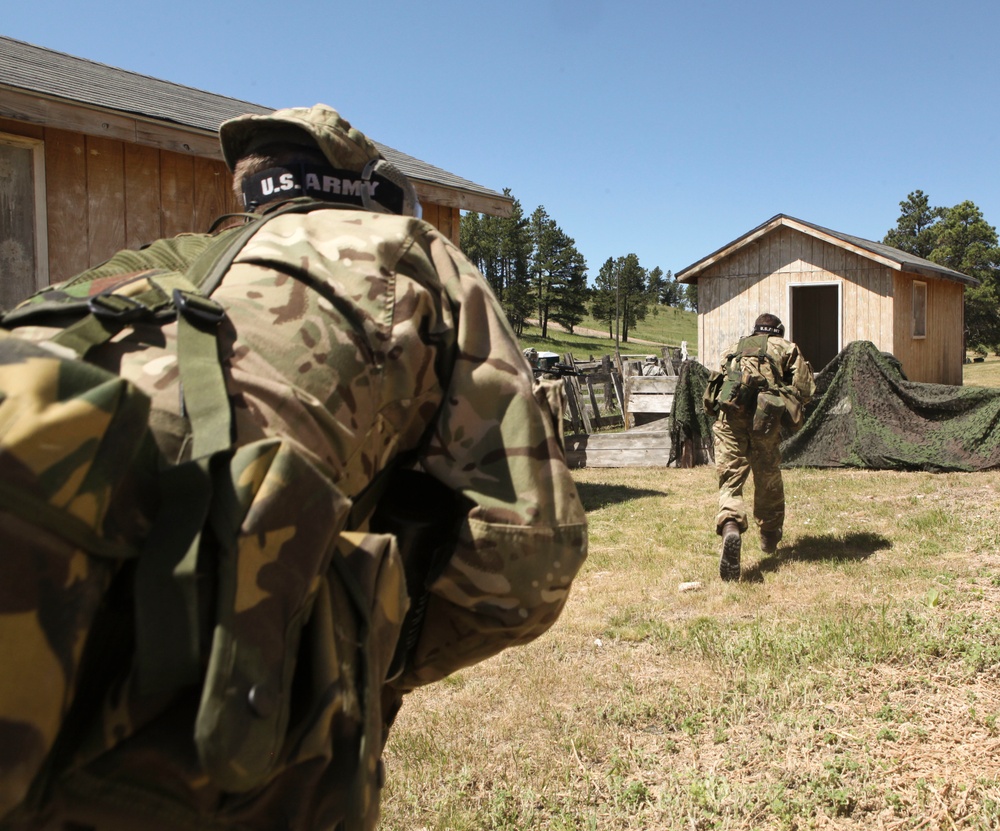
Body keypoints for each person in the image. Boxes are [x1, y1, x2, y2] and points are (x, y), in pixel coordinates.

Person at [0, 105, 587, 831]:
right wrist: (359, 650)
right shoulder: (402, 248)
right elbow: (531, 554)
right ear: (364, 187)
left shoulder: (133, 267)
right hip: (203, 667)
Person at [704, 313, 814, 581]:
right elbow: (806, 389)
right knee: (767, 477)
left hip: (728, 421)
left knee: (730, 481)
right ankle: (769, 534)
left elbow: (717, 385)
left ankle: (730, 525)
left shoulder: (734, 349)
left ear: (755, 331)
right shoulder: (786, 348)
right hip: (764, 422)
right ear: (777, 331)